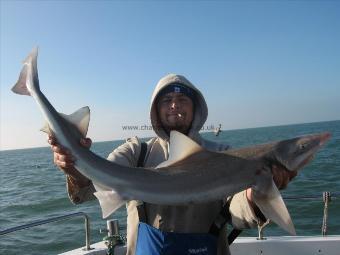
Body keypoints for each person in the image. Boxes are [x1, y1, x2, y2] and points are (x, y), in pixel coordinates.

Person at [48, 74, 297, 255]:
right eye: (166, 100)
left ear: (196, 108)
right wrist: (73, 167)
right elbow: (93, 186)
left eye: (182, 99)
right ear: (156, 111)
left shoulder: (223, 155)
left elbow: (236, 214)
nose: (174, 105)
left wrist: (256, 196)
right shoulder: (137, 151)